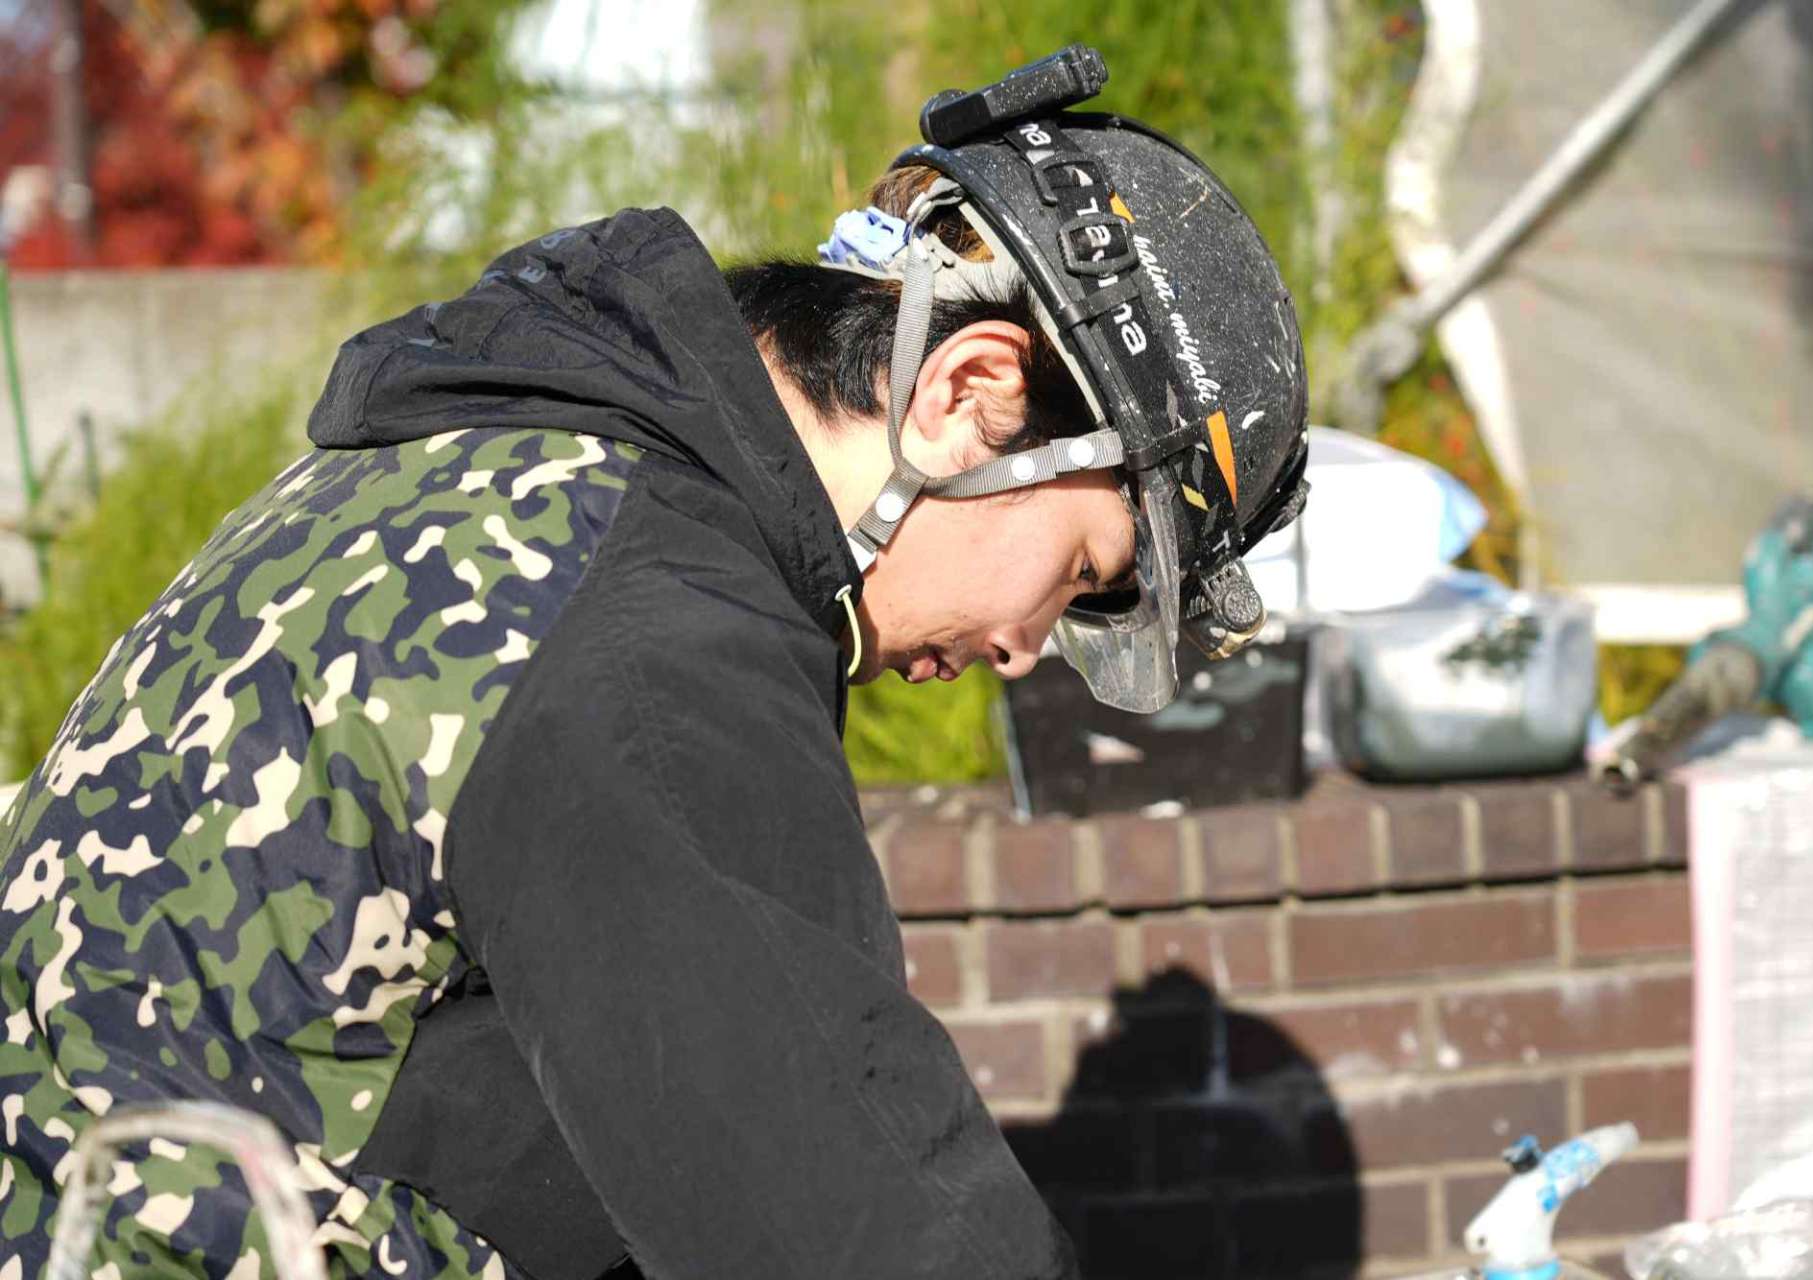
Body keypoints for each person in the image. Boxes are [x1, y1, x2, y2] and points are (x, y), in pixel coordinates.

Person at [0, 45, 1306, 1280]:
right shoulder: (657, 639)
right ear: (967, 392)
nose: (1022, 650)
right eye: (1077, 571)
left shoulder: (483, 466)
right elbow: (851, 1220)